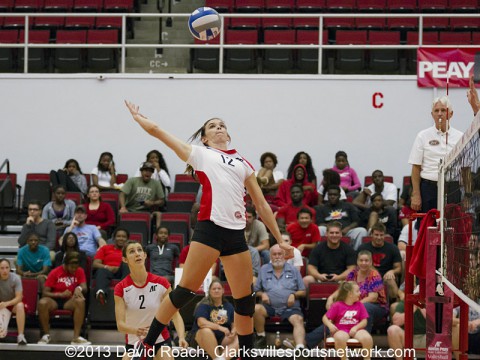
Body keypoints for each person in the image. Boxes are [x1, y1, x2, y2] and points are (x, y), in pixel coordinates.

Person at [124, 101, 293, 360]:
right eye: (212, 126)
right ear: (205, 137)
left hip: (236, 234)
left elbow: (260, 204)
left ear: (228, 134)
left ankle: (245, 355)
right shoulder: (201, 154)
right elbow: (159, 132)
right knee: (184, 292)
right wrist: (140, 120)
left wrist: (280, 240)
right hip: (210, 229)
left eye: (222, 125)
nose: (219, 127)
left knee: (245, 302)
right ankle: (147, 344)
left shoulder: (243, 162)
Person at [114, 241, 188, 360]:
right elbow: (120, 325)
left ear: (145, 255)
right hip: (135, 342)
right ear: (125, 259)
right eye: (132, 251)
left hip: (160, 339)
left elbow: (175, 314)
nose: (137, 254)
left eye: (139, 250)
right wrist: (137, 331)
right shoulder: (121, 288)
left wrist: (181, 337)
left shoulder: (162, 283)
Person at [408, 95, 463, 218]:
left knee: (452, 229)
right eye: (436, 111)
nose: (440, 114)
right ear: (432, 114)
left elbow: (466, 168)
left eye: (443, 110)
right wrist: (416, 194)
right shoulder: (422, 136)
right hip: (429, 189)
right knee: (428, 227)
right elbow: (416, 167)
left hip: (452, 188)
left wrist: (468, 195)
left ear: (451, 114)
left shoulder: (460, 137)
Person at [253, 244, 306, 350]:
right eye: (274, 254)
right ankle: (261, 337)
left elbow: (303, 291)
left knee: (298, 319)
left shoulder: (293, 270)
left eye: (280, 254)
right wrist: (262, 294)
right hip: (269, 307)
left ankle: (300, 348)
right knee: (256, 308)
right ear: (270, 256)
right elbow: (256, 290)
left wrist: (294, 294)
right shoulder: (263, 269)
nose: (277, 256)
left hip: (290, 307)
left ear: (285, 256)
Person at [327, 250, 388, 333]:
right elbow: (344, 288)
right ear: (357, 261)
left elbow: (373, 298)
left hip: (377, 307)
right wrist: (331, 298)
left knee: (366, 307)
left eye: (366, 261)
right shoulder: (353, 273)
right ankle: (311, 340)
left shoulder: (374, 275)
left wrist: (355, 306)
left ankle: (363, 338)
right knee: (337, 307)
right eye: (361, 260)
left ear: (371, 262)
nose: (363, 263)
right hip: (355, 305)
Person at [37, 251, 90, 345]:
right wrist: (60, 295)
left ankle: (76, 337)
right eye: (72, 267)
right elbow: (45, 292)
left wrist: (79, 288)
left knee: (80, 301)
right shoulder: (55, 272)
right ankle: (46, 335)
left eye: (76, 267)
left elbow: (84, 287)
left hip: (69, 301)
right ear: (65, 264)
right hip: (54, 300)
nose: (74, 270)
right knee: (42, 303)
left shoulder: (79, 271)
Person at [189, 278, 238, 360]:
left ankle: (221, 358)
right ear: (210, 291)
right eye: (214, 289)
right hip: (202, 338)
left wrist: (234, 330)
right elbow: (201, 323)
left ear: (223, 291)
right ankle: (216, 358)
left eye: (219, 288)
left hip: (222, 339)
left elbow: (234, 323)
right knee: (206, 331)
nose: (216, 291)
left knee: (240, 336)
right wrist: (220, 327)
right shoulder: (204, 305)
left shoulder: (229, 306)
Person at [322, 281, 373, 360]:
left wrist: (355, 328)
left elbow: (364, 321)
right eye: (357, 291)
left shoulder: (360, 305)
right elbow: (324, 318)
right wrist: (330, 325)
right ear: (350, 294)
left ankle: (367, 358)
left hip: (356, 329)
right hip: (341, 329)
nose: (360, 293)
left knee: (367, 338)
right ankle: (344, 358)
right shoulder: (337, 305)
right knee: (339, 337)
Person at [303, 221, 356, 287]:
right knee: (307, 279)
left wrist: (339, 277)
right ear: (326, 234)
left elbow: (352, 269)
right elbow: (311, 267)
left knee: (351, 281)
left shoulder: (348, 249)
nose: (334, 235)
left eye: (337, 233)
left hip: (341, 280)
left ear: (341, 234)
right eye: (331, 233)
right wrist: (319, 276)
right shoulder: (317, 248)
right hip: (320, 279)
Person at [357, 222, 402, 299]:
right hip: (368, 275)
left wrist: (392, 271)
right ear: (371, 235)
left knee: (390, 278)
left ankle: (395, 303)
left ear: (385, 235)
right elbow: (358, 265)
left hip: (386, 277)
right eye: (376, 235)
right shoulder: (363, 248)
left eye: (381, 235)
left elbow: (398, 268)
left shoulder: (393, 248)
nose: (379, 237)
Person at [317, 185, 368, 250]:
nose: (332, 197)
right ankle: (321, 252)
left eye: (335, 195)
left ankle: (356, 254)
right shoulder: (322, 208)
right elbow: (320, 223)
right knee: (320, 229)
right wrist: (332, 229)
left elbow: (356, 221)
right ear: (327, 196)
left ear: (339, 196)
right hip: (330, 232)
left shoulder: (348, 206)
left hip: (346, 231)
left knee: (362, 231)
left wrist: (348, 228)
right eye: (330, 195)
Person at [120, 161, 165, 229]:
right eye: (146, 170)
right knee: (120, 213)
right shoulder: (132, 181)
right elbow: (122, 194)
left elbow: (162, 201)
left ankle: (153, 236)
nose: (148, 173)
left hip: (147, 212)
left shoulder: (156, 183)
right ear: (141, 172)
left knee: (157, 215)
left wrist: (152, 203)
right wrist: (123, 207)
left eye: (150, 171)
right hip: (130, 210)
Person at [93, 227, 130, 305]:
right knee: (101, 270)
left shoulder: (130, 250)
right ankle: (101, 293)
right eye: (118, 236)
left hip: (123, 271)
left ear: (127, 239)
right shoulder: (105, 248)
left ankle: (123, 292)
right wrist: (107, 267)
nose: (121, 238)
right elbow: (95, 264)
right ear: (114, 238)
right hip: (107, 270)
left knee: (127, 264)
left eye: (124, 237)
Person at [387, 296, 426, 360]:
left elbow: (436, 322)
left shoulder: (432, 300)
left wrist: (421, 307)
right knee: (392, 330)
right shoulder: (405, 302)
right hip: (409, 338)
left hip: (427, 338)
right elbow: (396, 321)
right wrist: (412, 309)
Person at [0, 258, 27, 345]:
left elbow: (19, 298)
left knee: (20, 305)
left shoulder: (16, 278)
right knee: (1, 334)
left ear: (10, 268)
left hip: (14, 304)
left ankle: (21, 336)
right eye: (2, 268)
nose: (5, 270)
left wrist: (7, 304)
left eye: (7, 267)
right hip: (2, 305)